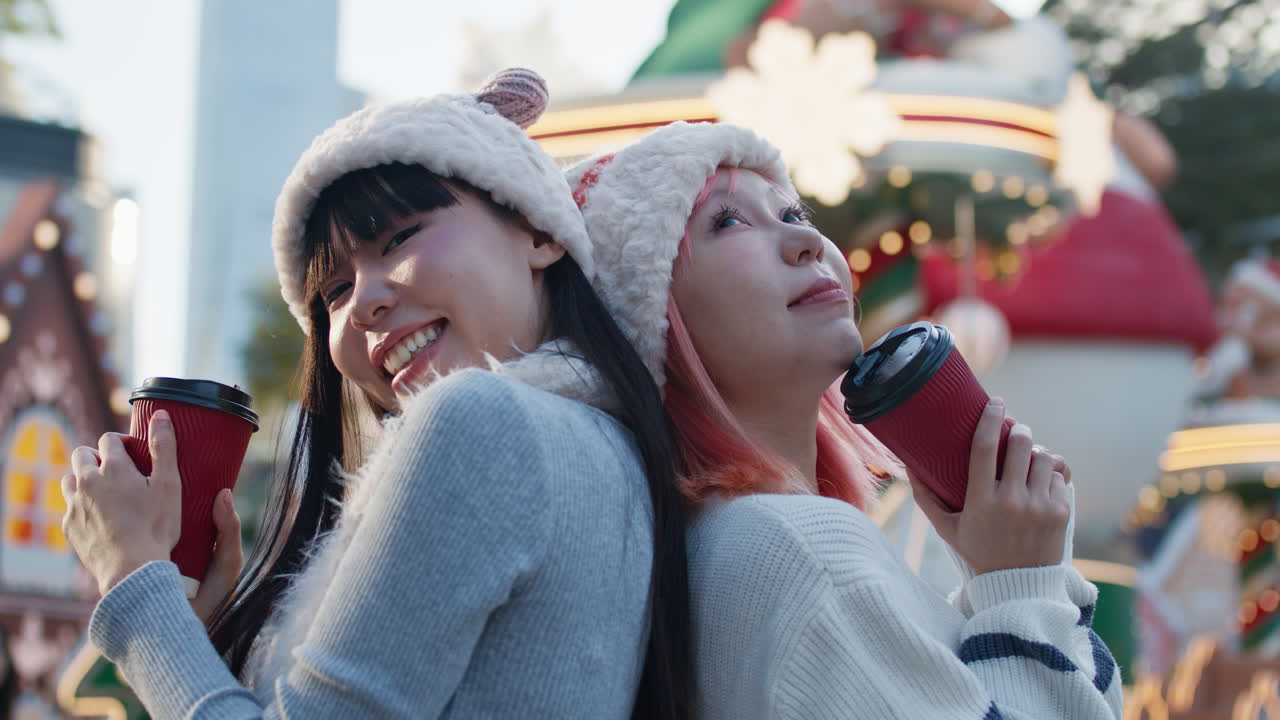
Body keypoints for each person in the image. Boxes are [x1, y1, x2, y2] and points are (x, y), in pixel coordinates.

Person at [59, 69, 693, 719]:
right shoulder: (617, 446)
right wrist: (203, 630)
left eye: (399, 238)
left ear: (538, 229)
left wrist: (134, 587)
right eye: (332, 292)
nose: (363, 302)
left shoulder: (480, 422)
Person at [569, 120, 1123, 718]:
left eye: (794, 213)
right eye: (727, 221)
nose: (805, 242)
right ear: (644, 307)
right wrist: (1023, 584)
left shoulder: (723, 543)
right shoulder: (797, 547)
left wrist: (1008, 574)